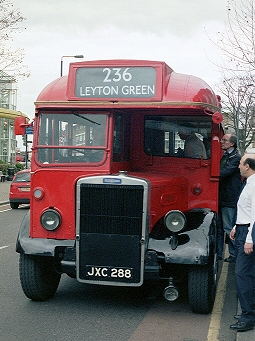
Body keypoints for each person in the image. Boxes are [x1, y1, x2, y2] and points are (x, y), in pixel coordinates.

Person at [229, 154, 255, 332]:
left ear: (248, 166)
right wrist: (236, 226)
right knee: (248, 274)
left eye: (240, 163)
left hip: (249, 233)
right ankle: (249, 311)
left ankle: (248, 317)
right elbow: (245, 209)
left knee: (242, 274)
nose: (238, 166)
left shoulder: (254, 184)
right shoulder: (249, 182)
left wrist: (249, 239)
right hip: (243, 229)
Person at [217, 134, 241, 262]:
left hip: (229, 198)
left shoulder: (235, 158)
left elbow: (224, 173)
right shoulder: (226, 156)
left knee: (228, 227)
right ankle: (220, 254)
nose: (222, 142)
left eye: (224, 140)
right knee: (220, 227)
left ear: (232, 144)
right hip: (223, 197)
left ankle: (234, 254)